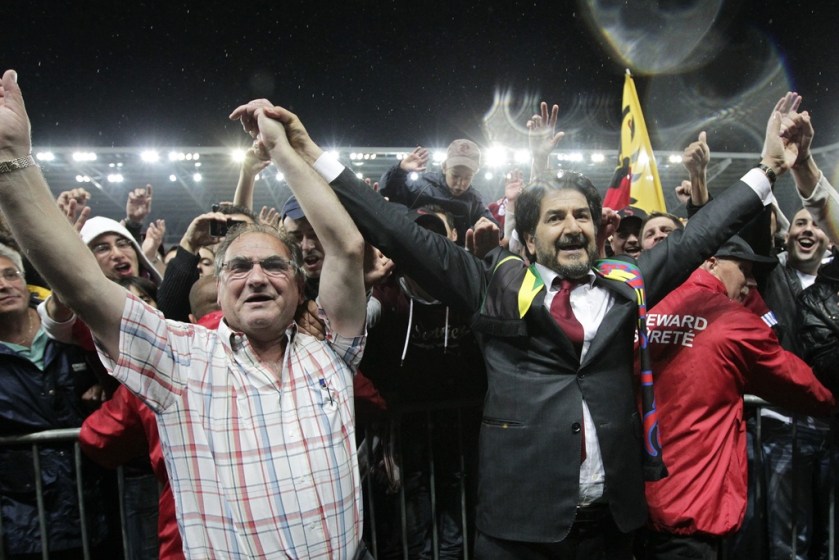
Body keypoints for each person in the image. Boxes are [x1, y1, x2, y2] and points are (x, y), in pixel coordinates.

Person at [249, 91, 801, 559]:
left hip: (614, 526)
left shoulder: (628, 283)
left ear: (598, 231)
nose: (572, 227)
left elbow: (701, 234)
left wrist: (770, 168)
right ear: (531, 239)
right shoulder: (493, 286)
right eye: (555, 218)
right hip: (519, 531)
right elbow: (399, 232)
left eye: (581, 216)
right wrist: (311, 153)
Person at [0, 71, 369, 559]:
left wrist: (283, 150)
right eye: (239, 267)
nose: (257, 277)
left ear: (300, 286)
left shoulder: (332, 350)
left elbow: (347, 246)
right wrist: (11, 160)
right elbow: (84, 286)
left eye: (275, 265)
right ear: (219, 283)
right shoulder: (179, 359)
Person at [639, 235, 835, 559]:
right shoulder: (734, 322)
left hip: (636, 502)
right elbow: (799, 384)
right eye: (744, 269)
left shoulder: (650, 307)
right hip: (691, 504)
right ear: (710, 262)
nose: (751, 282)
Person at [0, 243, 111, 557]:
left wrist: (103, 386)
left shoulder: (68, 327)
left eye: (11, 274)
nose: (4, 285)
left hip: (96, 500)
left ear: (25, 279)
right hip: (24, 521)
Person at [378, 140, 498, 244]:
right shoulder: (423, 185)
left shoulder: (474, 200)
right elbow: (388, 192)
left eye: (467, 178)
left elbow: (495, 229)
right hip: (417, 249)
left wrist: (482, 229)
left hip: (452, 257)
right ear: (444, 167)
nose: (460, 184)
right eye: (455, 175)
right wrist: (400, 170)